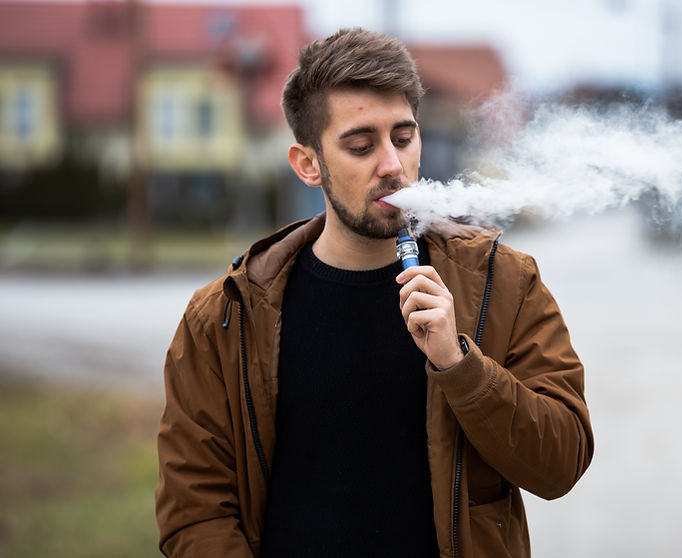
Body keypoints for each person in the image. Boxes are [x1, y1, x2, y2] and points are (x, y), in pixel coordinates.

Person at [155, 28, 593, 558]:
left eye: (404, 138)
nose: (392, 165)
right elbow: (195, 513)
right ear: (307, 164)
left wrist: (459, 365)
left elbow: (561, 464)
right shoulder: (227, 314)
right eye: (361, 145)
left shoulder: (504, 283)